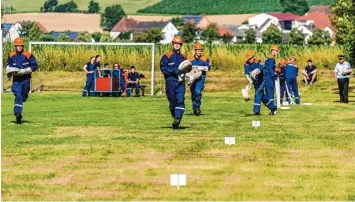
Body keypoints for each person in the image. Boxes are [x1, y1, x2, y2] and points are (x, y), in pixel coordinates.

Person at [6, 37, 38, 124]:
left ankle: (25, 97)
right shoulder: (11, 55)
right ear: (15, 46)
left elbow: (35, 66)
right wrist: (8, 74)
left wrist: (25, 70)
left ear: (23, 46)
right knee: (18, 95)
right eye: (17, 46)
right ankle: (18, 114)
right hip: (16, 80)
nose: (19, 47)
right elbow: (8, 65)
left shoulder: (28, 55)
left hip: (26, 79)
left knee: (23, 97)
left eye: (21, 45)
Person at [160, 35, 186, 129]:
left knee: (180, 100)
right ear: (173, 44)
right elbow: (163, 69)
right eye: (175, 43)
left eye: (179, 44)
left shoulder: (183, 57)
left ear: (181, 45)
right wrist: (174, 71)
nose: (177, 45)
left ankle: (177, 118)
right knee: (173, 102)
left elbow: (187, 68)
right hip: (170, 81)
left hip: (180, 81)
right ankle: (175, 114)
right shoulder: (166, 56)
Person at [253, 45, 279, 115]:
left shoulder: (268, 57)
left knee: (266, 93)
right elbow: (270, 69)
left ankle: (271, 109)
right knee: (270, 94)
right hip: (269, 78)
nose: (277, 53)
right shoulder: (271, 58)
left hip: (266, 77)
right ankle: (273, 109)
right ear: (273, 51)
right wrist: (274, 75)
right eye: (277, 51)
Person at [189, 42, 211, 116]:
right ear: (195, 50)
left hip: (201, 78)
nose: (199, 52)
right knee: (193, 93)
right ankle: (195, 107)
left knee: (198, 92)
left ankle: (197, 107)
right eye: (198, 50)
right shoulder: (190, 59)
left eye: (201, 50)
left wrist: (202, 68)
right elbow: (186, 68)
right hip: (192, 78)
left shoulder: (205, 59)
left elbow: (208, 68)